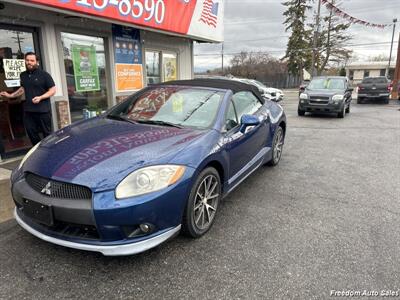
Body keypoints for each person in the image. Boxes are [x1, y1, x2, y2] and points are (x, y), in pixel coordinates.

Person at [0, 52, 56, 145]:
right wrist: (10, 95)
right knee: (31, 133)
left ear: (37, 62)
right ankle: (38, 152)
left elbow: (53, 90)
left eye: (32, 60)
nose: (29, 62)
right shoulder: (23, 75)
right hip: (29, 111)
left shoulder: (44, 75)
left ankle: (50, 153)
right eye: (27, 60)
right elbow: (23, 89)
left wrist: (41, 97)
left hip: (43, 111)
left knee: (47, 135)